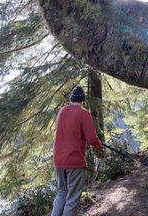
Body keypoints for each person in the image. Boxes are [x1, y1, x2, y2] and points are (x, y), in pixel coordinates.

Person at [51, 85, 103, 216]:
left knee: (61, 192)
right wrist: (99, 149)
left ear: (71, 99)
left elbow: (68, 133)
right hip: (74, 161)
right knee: (72, 198)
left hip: (58, 160)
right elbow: (91, 138)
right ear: (83, 100)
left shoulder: (62, 111)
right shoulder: (84, 113)